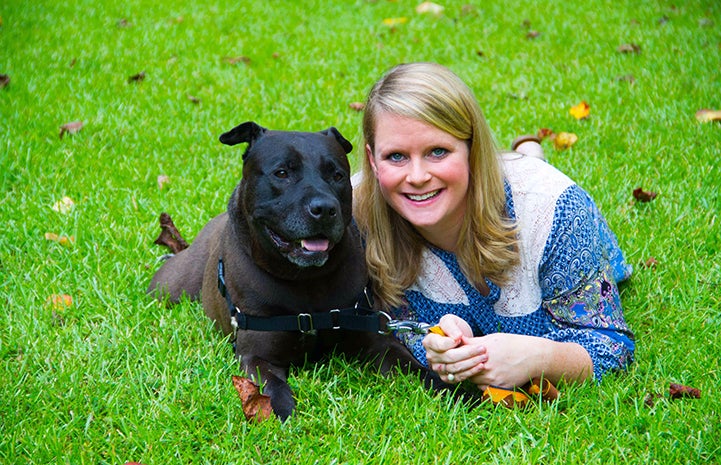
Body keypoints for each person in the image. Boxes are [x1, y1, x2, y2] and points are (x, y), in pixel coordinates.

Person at [353, 62, 634, 392]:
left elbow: (612, 346)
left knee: (531, 179)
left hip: (536, 209)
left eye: (438, 151)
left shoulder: (557, 211)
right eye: (396, 157)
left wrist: (539, 358)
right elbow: (395, 321)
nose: (416, 177)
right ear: (372, 160)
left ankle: (530, 158)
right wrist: (437, 344)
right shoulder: (354, 212)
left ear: (473, 150)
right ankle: (527, 153)